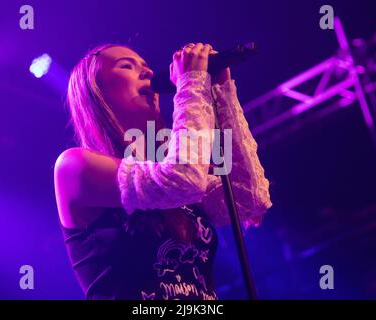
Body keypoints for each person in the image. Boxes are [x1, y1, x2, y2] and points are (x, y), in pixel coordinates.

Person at [54, 42, 272, 300]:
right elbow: (183, 180)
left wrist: (222, 90)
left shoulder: (166, 166)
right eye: (126, 66)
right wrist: (192, 81)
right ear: (96, 93)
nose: (147, 73)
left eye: (146, 67)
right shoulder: (74, 166)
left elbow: (248, 199)